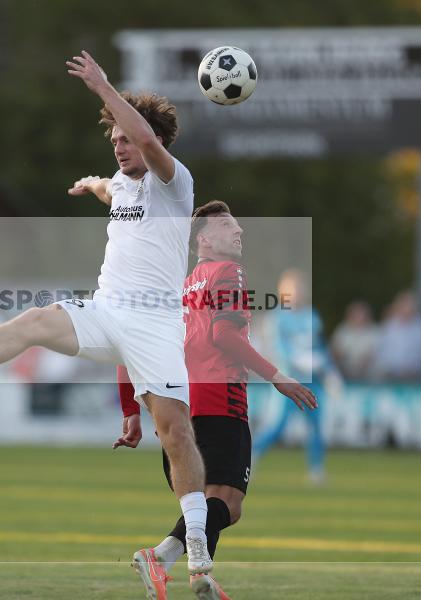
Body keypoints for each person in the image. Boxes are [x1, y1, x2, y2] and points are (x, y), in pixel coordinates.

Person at [0, 50, 215, 577]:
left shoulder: (175, 182)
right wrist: (90, 184)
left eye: (126, 137)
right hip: (104, 310)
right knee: (34, 320)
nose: (121, 146)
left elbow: (145, 141)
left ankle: (196, 547)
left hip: (155, 322)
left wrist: (103, 87)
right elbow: (109, 188)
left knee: (175, 432)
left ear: (154, 140)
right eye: (115, 140)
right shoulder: (121, 183)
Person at [114, 201, 317, 600]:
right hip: (220, 398)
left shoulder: (180, 284)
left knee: (204, 501)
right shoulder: (230, 273)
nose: (239, 231)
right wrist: (277, 377)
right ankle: (161, 557)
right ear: (204, 240)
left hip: (179, 404)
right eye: (228, 226)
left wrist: (130, 409)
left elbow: (129, 346)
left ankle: (198, 579)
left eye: (239, 225)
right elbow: (225, 336)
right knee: (230, 504)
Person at [251, 269, 340, 485]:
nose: (298, 293)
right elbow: (279, 349)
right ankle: (249, 459)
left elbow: (320, 346)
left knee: (317, 426)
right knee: (276, 426)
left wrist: (330, 372)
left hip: (313, 381)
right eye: (293, 289)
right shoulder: (277, 317)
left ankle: (316, 469)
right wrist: (302, 359)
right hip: (288, 381)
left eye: (300, 288)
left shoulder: (312, 316)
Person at [330, 301, 378, 381]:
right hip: (344, 371)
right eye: (356, 315)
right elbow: (335, 351)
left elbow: (373, 355)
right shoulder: (342, 330)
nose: (359, 318)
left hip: (368, 373)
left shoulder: (374, 331)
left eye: (361, 315)